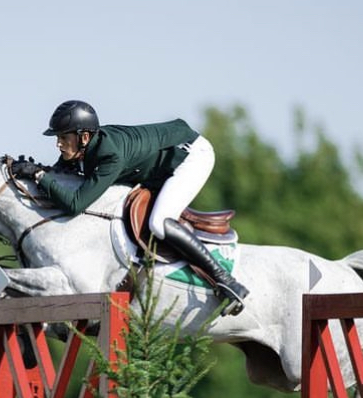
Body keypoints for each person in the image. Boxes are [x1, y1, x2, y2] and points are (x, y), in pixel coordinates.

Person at [15, 100, 249, 316]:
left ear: (84, 137)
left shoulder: (110, 154)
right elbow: (60, 176)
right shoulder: (84, 148)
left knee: (159, 222)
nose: (58, 143)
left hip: (191, 156)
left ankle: (225, 280)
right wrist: (34, 172)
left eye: (63, 137)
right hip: (159, 163)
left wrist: (38, 175)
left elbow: (75, 204)